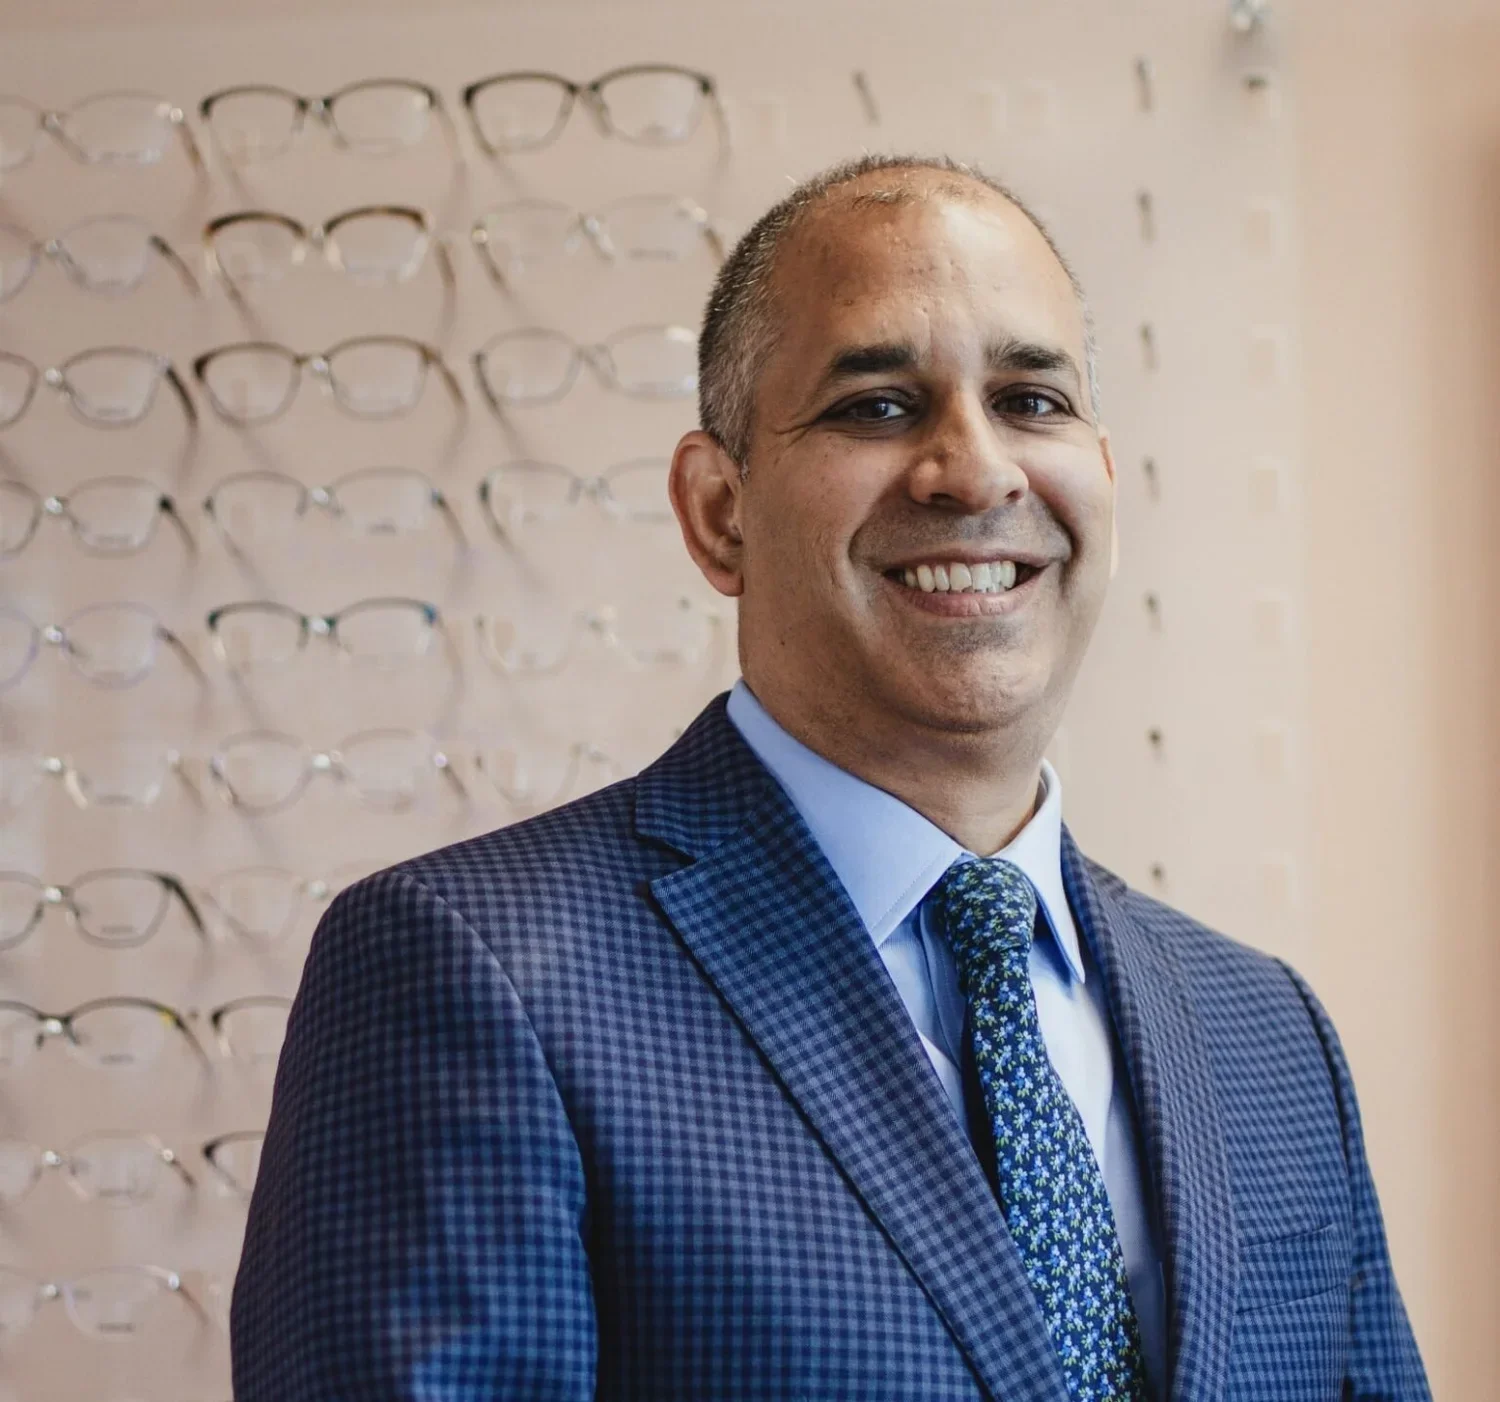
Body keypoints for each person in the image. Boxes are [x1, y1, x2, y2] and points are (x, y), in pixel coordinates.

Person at [231, 154, 1431, 1402]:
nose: (975, 471)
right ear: (718, 511)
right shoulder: (472, 968)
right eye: (877, 407)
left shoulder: (1268, 1034)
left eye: (1031, 399)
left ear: (1106, 481)